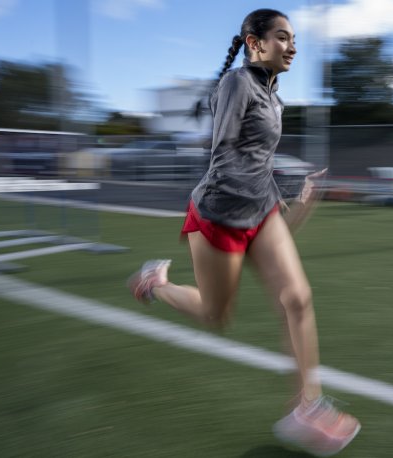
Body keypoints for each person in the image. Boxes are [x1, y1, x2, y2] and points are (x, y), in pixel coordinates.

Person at [127, 9, 360, 456]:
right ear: (254, 43)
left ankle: (306, 409)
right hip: (219, 213)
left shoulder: (275, 98)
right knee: (215, 315)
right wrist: (263, 205)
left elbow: (258, 164)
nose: (292, 47)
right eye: (282, 37)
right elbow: (222, 156)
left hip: (260, 208)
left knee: (297, 299)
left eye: (293, 39)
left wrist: (295, 199)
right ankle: (156, 284)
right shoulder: (236, 83)